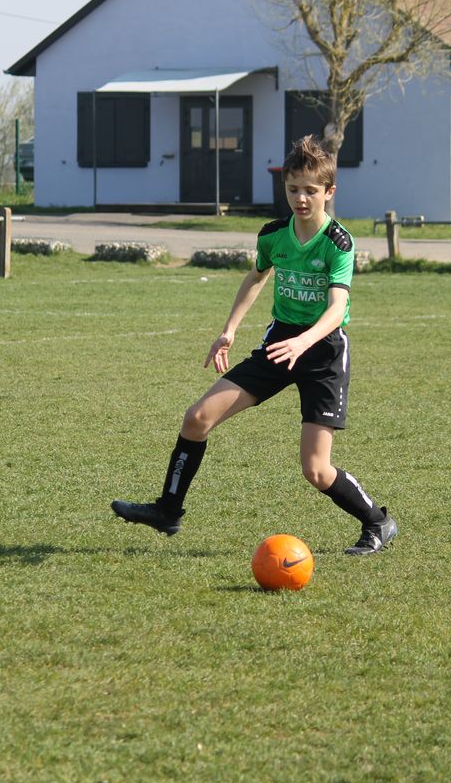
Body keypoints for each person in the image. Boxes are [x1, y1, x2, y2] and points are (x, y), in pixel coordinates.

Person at [111, 135, 397, 556]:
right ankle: (167, 511)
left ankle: (377, 522)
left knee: (316, 470)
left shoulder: (339, 242)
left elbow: (338, 308)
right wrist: (229, 329)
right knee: (196, 419)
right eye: (293, 189)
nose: (300, 199)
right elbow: (256, 276)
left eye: (310, 190)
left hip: (322, 352)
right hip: (280, 344)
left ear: (329, 192)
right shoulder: (273, 235)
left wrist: (304, 341)